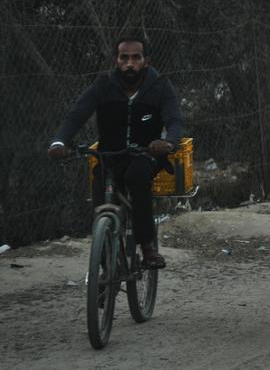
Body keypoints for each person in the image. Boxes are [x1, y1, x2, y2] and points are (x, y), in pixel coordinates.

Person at [47, 36, 183, 269]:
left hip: (145, 155)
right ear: (116, 60)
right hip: (109, 157)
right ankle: (105, 268)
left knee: (136, 176)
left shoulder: (160, 86)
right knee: (100, 189)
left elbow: (174, 120)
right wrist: (59, 142)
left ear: (146, 61)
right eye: (124, 58)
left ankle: (147, 247)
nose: (130, 63)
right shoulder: (103, 86)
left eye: (136, 58)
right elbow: (76, 115)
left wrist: (168, 142)